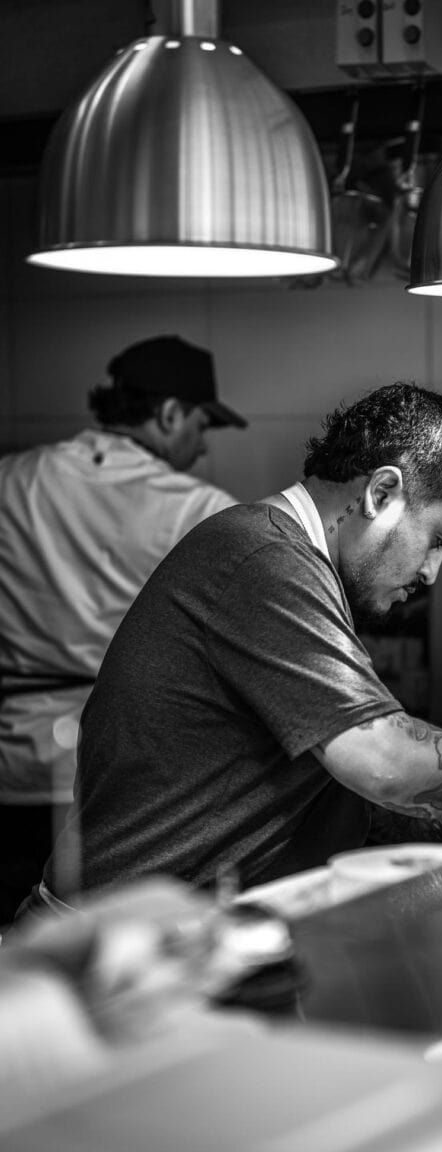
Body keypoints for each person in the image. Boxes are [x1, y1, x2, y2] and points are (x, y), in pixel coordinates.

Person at [23, 382, 442, 915]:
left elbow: (335, 792)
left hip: (186, 936)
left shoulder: (299, 568)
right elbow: (382, 761)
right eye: (439, 540)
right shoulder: (263, 558)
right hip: (105, 953)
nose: (432, 572)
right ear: (381, 493)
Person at [0, 334, 246, 923]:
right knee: (107, 949)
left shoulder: (11, 480)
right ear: (169, 413)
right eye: (201, 425)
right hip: (120, 777)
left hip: (12, 766)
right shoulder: (203, 510)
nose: (201, 446)